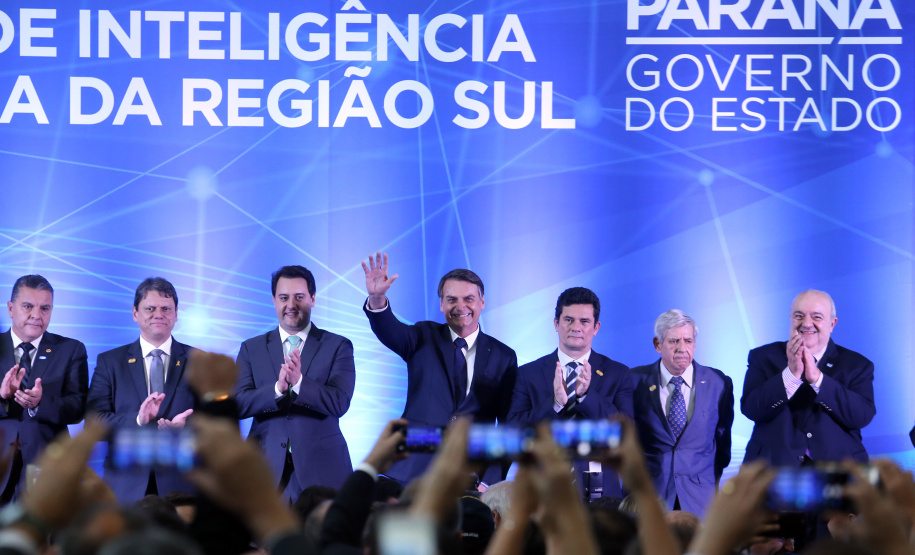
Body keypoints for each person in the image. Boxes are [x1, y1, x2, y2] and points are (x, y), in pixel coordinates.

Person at [361, 252, 518, 484]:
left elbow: (507, 426)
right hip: (410, 472)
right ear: (441, 305)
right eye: (451, 299)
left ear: (482, 302)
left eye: (469, 299)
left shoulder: (504, 356)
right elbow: (389, 330)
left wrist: (489, 481)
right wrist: (377, 298)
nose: (460, 306)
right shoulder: (422, 335)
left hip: (470, 476)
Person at [235, 265, 355, 502]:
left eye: (299, 297)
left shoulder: (338, 346)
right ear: (273, 301)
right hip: (264, 470)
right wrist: (277, 390)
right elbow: (238, 404)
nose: (291, 305)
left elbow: (339, 403)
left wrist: (299, 382)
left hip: (322, 469)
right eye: (284, 298)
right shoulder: (251, 348)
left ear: (312, 298)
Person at [507, 287, 633, 497]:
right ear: (556, 323)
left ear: (596, 327)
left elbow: (626, 433)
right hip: (541, 489)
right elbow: (514, 430)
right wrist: (555, 404)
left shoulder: (617, 373)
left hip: (600, 493)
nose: (576, 327)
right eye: (568, 320)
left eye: (584, 321)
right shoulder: (529, 373)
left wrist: (587, 397)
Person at [87, 277, 197, 503]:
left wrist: (187, 429)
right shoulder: (110, 362)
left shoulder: (199, 361)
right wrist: (138, 420)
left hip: (181, 486)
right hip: (125, 487)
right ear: (135, 313)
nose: (159, 314)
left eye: (166, 309)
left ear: (176, 314)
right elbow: (94, 422)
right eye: (150, 309)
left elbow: (218, 423)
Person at [741, 289, 875, 466]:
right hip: (773, 469)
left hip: (840, 471)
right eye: (799, 316)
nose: (806, 324)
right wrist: (791, 375)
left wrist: (818, 379)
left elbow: (861, 416)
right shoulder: (763, 357)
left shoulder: (857, 365)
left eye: (816, 317)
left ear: (832, 324)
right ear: (790, 318)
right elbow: (751, 409)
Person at [630, 310, 733, 515]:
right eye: (674, 341)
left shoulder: (719, 383)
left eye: (688, 341)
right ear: (658, 344)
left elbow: (723, 443)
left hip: (700, 499)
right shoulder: (634, 381)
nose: (682, 349)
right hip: (650, 496)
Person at [0, 275, 89, 501]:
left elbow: (78, 407)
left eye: (45, 308)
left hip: (48, 466)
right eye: (28, 306)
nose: (36, 315)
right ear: (10, 308)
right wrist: (3, 398)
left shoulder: (70, 349)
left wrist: (40, 404)